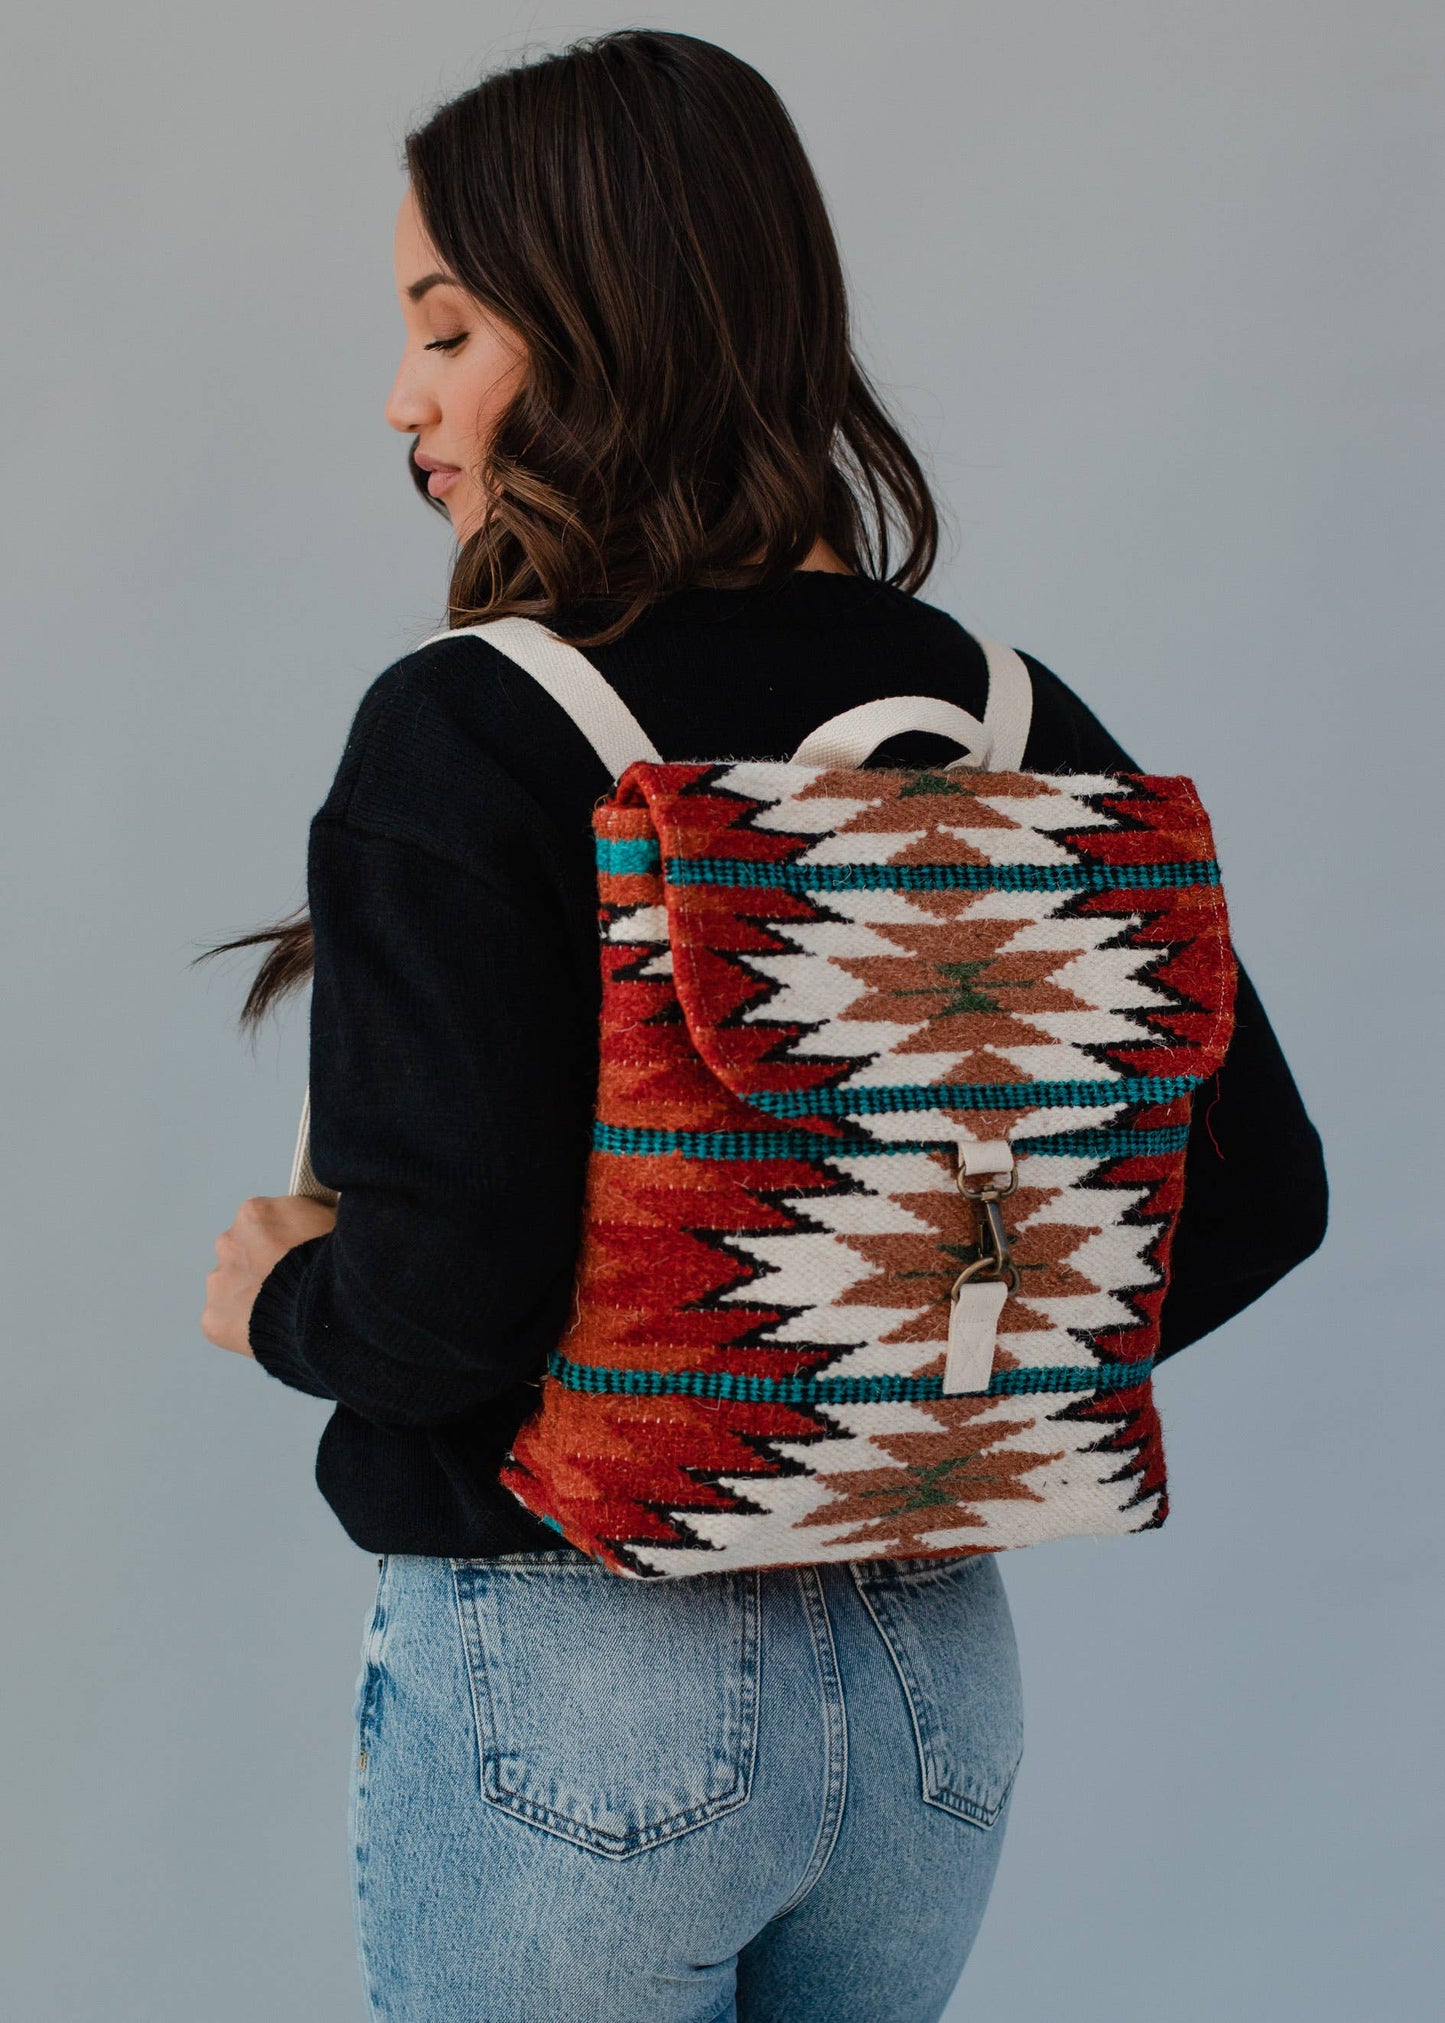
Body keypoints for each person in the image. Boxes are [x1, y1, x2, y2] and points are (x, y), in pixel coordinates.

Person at [198, 30, 1327, 2023]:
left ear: (588, 319)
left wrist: (290, 1297)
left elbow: (442, 1311)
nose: (404, 399)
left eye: (446, 331)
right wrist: (901, 1371)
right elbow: (1261, 1195)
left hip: (584, 1677)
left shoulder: (472, 730)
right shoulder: (1007, 719)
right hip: (930, 1686)